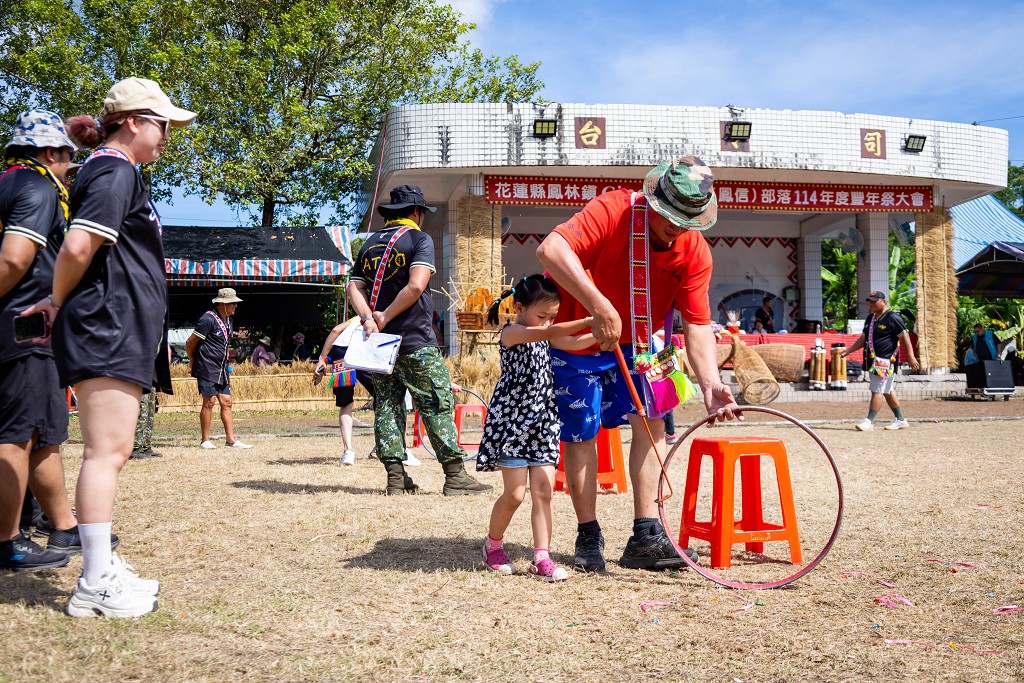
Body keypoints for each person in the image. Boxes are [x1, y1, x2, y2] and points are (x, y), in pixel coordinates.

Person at [24, 78, 196, 616]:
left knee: (111, 452)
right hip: (108, 325)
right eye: (163, 124)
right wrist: (55, 301)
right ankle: (95, 582)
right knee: (106, 453)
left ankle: (101, 567)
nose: (167, 135)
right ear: (134, 122)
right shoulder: (114, 169)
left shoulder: (110, 168)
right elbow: (79, 246)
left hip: (115, 325)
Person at [536, 156, 740, 573]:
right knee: (582, 432)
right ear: (653, 199)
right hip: (580, 336)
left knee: (655, 421)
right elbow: (550, 249)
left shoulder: (695, 251)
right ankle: (588, 533)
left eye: (687, 221)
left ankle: (646, 535)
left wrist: (710, 382)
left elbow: (697, 323)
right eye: (671, 217)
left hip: (648, 342)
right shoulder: (613, 209)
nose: (677, 228)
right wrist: (599, 306)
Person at [347, 184, 491, 496]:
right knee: (437, 402)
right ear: (416, 212)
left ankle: (396, 478)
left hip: (379, 345)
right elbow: (415, 287)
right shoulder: (418, 239)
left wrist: (370, 319)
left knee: (387, 406)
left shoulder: (369, 243)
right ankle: (455, 476)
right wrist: (386, 315)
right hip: (414, 340)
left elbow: (353, 288)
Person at [0, 109, 81, 571]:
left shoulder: (9, 183)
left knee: (45, 431)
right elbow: (14, 261)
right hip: (25, 326)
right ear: (50, 152)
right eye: (68, 155)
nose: (70, 166)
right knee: (18, 433)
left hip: (31, 331)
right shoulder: (36, 187)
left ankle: (64, 526)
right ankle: (7, 539)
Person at [476, 275, 595, 582]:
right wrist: (588, 320)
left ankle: (541, 558)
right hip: (513, 422)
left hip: (543, 420)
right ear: (519, 308)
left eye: (552, 316)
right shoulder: (513, 332)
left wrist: (598, 334)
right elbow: (553, 332)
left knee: (544, 492)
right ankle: (493, 546)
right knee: (515, 494)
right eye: (542, 316)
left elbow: (570, 342)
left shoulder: (543, 333)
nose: (548, 322)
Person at [841, 291, 920, 431]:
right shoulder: (870, 318)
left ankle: (869, 421)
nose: (871, 304)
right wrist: (849, 350)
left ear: (883, 301)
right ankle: (901, 419)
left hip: (885, 362)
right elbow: (863, 339)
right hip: (873, 361)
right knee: (887, 390)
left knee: (876, 390)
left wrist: (911, 356)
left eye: (874, 301)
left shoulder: (892, 317)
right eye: (870, 301)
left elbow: (905, 336)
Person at [186, 288, 254, 449]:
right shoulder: (207, 319)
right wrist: (192, 359)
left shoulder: (229, 321)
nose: (235, 306)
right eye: (232, 303)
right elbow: (190, 342)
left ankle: (231, 439)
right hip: (206, 366)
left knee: (227, 402)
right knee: (209, 402)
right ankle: (205, 440)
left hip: (222, 367)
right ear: (222, 304)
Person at [314, 317, 378, 466]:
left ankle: (348, 451)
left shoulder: (357, 318)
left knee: (346, 404)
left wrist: (322, 358)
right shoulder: (376, 314)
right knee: (385, 398)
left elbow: (335, 330)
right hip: (362, 351)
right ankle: (381, 447)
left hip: (340, 353)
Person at [129, 388, 160, 460]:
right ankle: (136, 448)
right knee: (142, 410)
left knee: (150, 411)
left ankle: (145, 447)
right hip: (141, 382)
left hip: (152, 382)